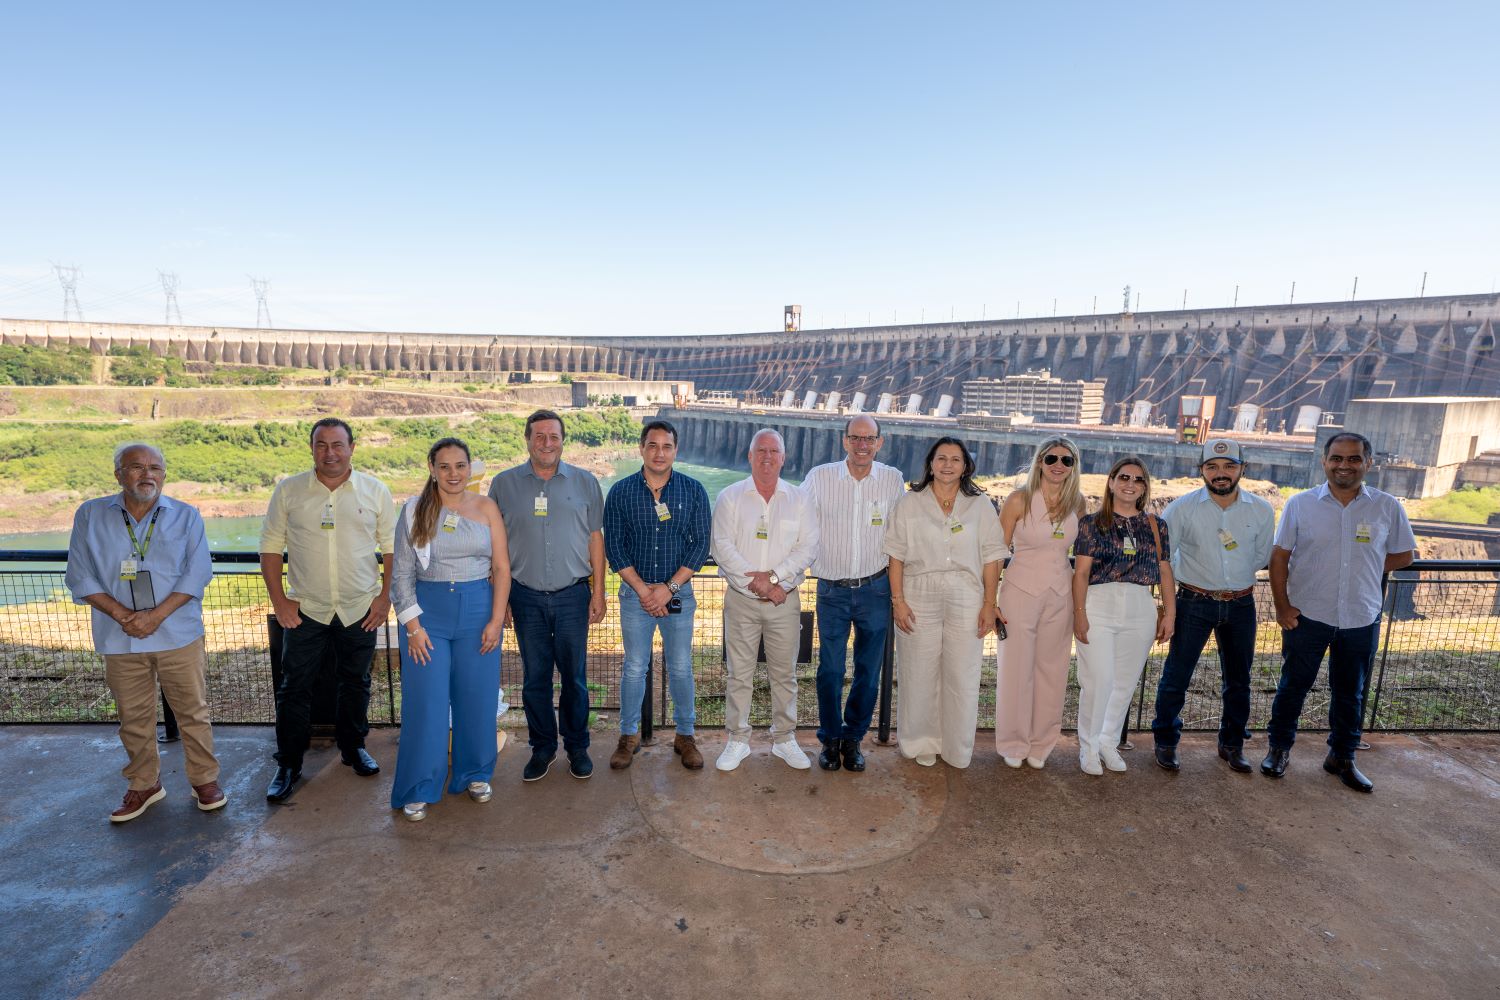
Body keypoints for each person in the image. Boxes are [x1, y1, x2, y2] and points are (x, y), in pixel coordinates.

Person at [66, 443, 224, 822]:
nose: (146, 474)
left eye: (155, 467)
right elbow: (79, 574)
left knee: (193, 712)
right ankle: (144, 784)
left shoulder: (186, 516)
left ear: (164, 474)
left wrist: (155, 616)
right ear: (118, 473)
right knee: (133, 717)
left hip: (177, 634)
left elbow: (198, 573)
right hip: (120, 636)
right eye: (136, 467)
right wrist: (125, 615)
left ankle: (204, 779)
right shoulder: (90, 515)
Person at [1262, 432, 1414, 792]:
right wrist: (1282, 607)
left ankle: (1342, 757)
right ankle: (1279, 750)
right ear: (1325, 461)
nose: (1344, 465)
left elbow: (1405, 555)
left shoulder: (1387, 506)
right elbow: (1279, 557)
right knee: (1292, 687)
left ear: (1368, 463)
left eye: (1353, 459)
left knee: (1351, 692)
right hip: (1308, 615)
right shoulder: (1300, 504)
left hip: (1361, 617)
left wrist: (1367, 565)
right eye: (1337, 458)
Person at [261, 418, 395, 803]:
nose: (330, 452)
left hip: (360, 608)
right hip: (305, 610)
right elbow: (270, 548)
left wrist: (384, 598)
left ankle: (353, 747)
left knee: (356, 683)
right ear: (312, 448)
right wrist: (280, 602)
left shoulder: (375, 490)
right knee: (294, 688)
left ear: (353, 447)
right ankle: (288, 762)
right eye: (322, 445)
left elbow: (390, 550)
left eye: (338, 444)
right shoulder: (289, 492)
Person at [389, 438, 511, 821]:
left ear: (470, 467)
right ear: (432, 468)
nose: (453, 474)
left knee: (477, 699)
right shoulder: (414, 511)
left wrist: (495, 619)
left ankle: (474, 774)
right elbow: (402, 575)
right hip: (429, 618)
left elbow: (503, 569)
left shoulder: (487, 507)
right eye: (445, 466)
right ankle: (418, 785)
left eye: (460, 466)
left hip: (478, 613)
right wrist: (413, 627)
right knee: (426, 704)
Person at [489, 409, 606, 782]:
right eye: (539, 436)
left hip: (573, 596)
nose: (546, 443)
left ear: (562, 440)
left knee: (575, 678)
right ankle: (542, 748)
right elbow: (497, 546)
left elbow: (595, 540)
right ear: (527, 440)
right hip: (524, 597)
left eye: (553, 436)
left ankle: (577, 747)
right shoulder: (503, 485)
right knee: (535, 678)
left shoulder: (586, 482)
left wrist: (598, 591)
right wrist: (501, 597)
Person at [1150, 440, 1275, 773]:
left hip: (1241, 604)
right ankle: (1165, 742)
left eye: (1229, 466)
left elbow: (1262, 556)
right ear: (1201, 470)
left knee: (1239, 680)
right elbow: (1165, 559)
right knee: (1177, 676)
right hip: (1193, 602)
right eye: (1213, 467)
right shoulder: (1180, 509)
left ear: (1242, 469)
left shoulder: (1261, 510)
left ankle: (1232, 745)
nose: (1221, 474)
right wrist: (1167, 606)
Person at [884, 437, 1004, 769]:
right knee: (918, 670)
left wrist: (989, 604)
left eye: (955, 459)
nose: (947, 464)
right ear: (931, 464)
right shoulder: (910, 502)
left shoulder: (979, 504)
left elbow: (993, 557)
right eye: (941, 458)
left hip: (967, 593)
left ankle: (956, 746)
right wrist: (898, 601)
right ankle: (920, 741)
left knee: (962, 671)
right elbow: (895, 555)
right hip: (919, 590)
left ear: (966, 466)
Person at [603, 419, 711, 771]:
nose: (659, 452)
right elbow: (614, 547)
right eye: (652, 445)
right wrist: (644, 591)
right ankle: (628, 736)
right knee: (634, 667)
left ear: (675, 451)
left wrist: (668, 590)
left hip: (677, 594)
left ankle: (685, 735)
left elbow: (699, 548)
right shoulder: (620, 492)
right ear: (641, 448)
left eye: (666, 446)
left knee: (680, 666)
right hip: (636, 595)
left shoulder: (694, 491)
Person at [801, 415, 906, 773]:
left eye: (869, 438)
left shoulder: (892, 480)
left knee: (868, 670)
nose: (862, 445)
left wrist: (898, 592)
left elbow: (901, 535)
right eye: (856, 438)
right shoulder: (820, 477)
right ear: (844, 441)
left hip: (876, 588)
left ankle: (854, 738)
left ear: (880, 442)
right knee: (830, 669)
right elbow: (797, 524)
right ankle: (830, 739)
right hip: (832, 590)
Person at [710, 428, 819, 772]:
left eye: (774, 451)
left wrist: (773, 580)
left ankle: (784, 739)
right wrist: (761, 585)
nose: (768, 457)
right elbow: (722, 548)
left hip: (783, 601)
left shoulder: (800, 499)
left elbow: (808, 548)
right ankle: (737, 740)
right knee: (738, 674)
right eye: (761, 451)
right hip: (742, 601)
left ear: (783, 457)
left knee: (784, 674)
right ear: (750, 457)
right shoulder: (730, 497)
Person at [1072, 456, 1175, 776]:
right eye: (1124, 478)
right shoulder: (1092, 523)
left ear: (1145, 487)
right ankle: (1087, 746)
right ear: (1111, 482)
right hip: (1099, 603)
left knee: (1124, 682)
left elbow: (1165, 570)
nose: (1131, 484)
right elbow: (1080, 573)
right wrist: (1079, 614)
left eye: (1138, 479)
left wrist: (1170, 612)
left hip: (1140, 605)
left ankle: (1107, 742)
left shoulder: (1156, 526)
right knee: (1098, 680)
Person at [994, 437, 1087, 769]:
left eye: (1067, 460)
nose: (1058, 465)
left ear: (1074, 466)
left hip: (1060, 593)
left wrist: (1080, 608)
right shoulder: (1018, 500)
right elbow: (995, 554)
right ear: (1039, 462)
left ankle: (1041, 742)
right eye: (1052, 459)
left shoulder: (1079, 504)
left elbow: (1081, 559)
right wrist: (989, 601)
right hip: (1019, 591)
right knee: (1016, 669)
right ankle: (1012, 742)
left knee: (1053, 670)